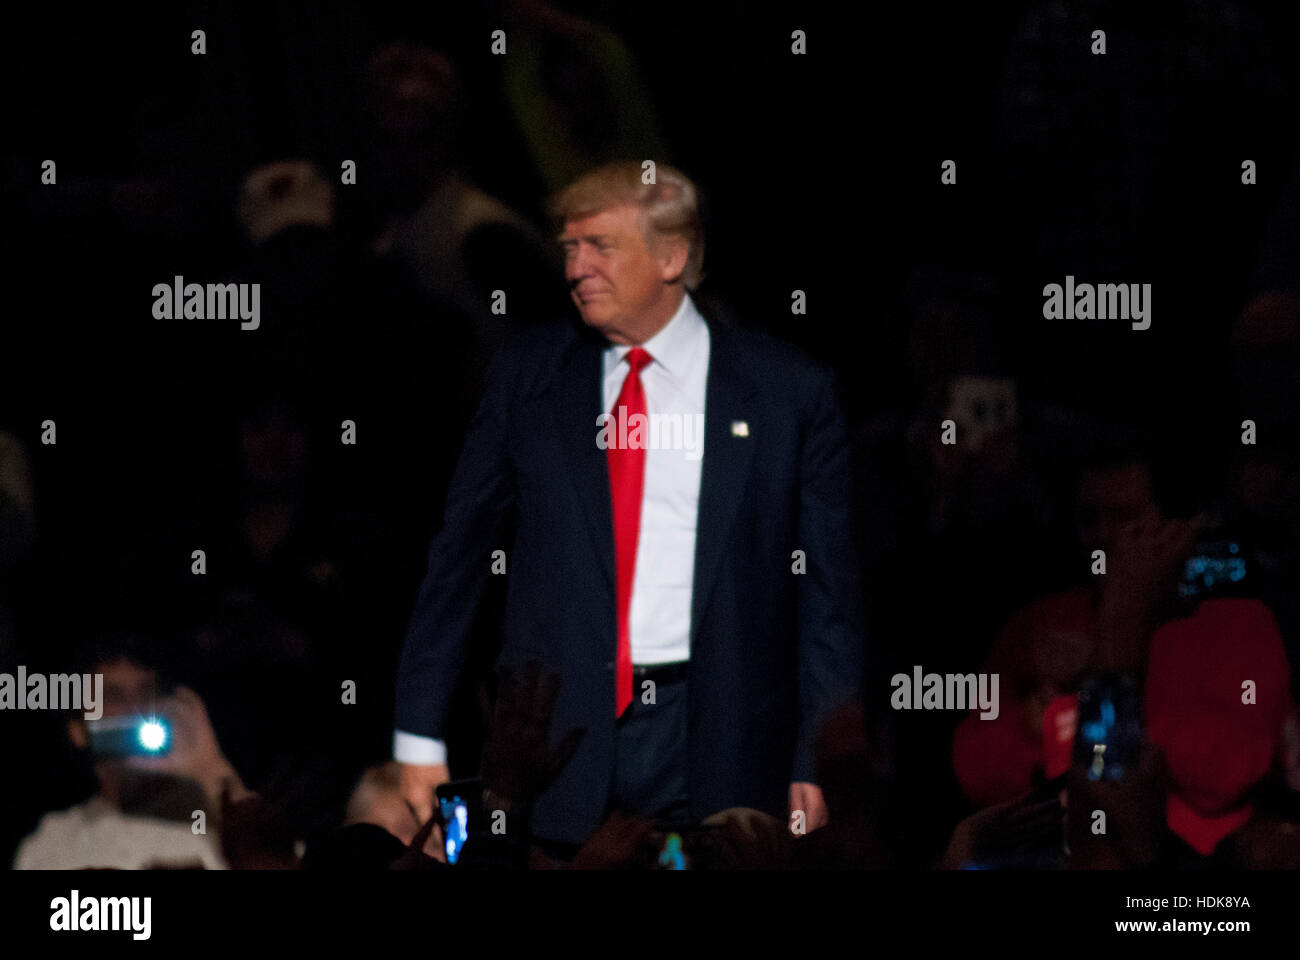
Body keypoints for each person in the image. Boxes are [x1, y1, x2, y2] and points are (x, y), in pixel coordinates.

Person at [392, 161, 865, 854]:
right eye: (568, 248)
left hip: (724, 731)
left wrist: (822, 760)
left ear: (672, 255)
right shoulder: (528, 377)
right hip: (556, 738)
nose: (575, 268)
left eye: (599, 247)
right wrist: (418, 734)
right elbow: (458, 556)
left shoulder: (788, 393)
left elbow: (828, 597)